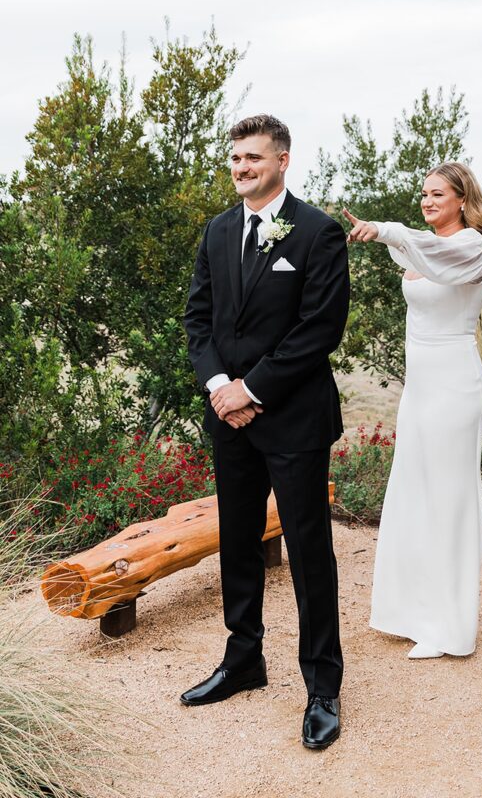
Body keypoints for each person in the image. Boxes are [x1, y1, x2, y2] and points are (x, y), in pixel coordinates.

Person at [182, 114, 349, 750]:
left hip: (294, 420)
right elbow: (199, 318)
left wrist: (250, 390)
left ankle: (323, 686)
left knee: (309, 552)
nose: (241, 168)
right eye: (235, 160)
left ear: (282, 159)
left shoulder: (318, 233)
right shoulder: (219, 230)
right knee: (239, 541)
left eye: (253, 158)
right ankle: (243, 659)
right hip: (229, 418)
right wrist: (220, 388)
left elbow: (318, 329)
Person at [344, 161, 482, 658]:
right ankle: (413, 611)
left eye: (437, 194)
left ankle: (451, 627)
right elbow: (416, 252)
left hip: (455, 388)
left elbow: (429, 252)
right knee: (415, 493)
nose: (427, 201)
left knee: (448, 499)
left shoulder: (469, 247)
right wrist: (381, 235)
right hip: (422, 388)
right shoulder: (428, 247)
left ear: (462, 199)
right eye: (423, 194)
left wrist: (388, 230)